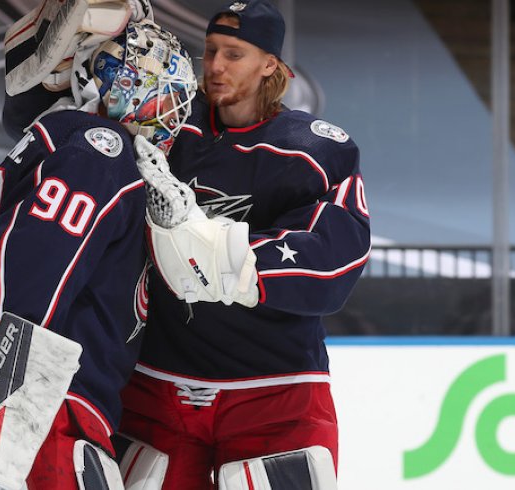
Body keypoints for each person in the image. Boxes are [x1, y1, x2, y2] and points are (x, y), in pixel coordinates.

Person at [0, 14, 197, 490]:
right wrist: (6, 366)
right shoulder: (102, 149)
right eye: (166, 94)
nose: (173, 114)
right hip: (43, 402)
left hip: (35, 400)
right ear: (126, 86)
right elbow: (37, 255)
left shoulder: (71, 140)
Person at [118, 0, 372, 488]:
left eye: (234, 54)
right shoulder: (167, 128)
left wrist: (210, 249)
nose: (214, 66)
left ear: (269, 64)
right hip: (157, 387)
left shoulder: (316, 150)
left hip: (275, 392)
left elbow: (332, 263)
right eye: (210, 50)